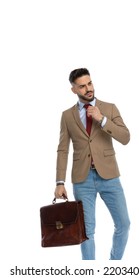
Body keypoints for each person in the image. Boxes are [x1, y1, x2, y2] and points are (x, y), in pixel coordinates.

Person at [54, 68, 130, 260]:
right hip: (82, 179)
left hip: (109, 176)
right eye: (82, 86)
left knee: (124, 224)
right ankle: (90, 271)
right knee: (87, 230)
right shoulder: (67, 116)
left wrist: (102, 119)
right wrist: (59, 182)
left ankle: (113, 266)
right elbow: (63, 149)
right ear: (74, 90)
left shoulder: (110, 108)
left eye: (90, 83)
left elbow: (125, 137)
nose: (88, 89)